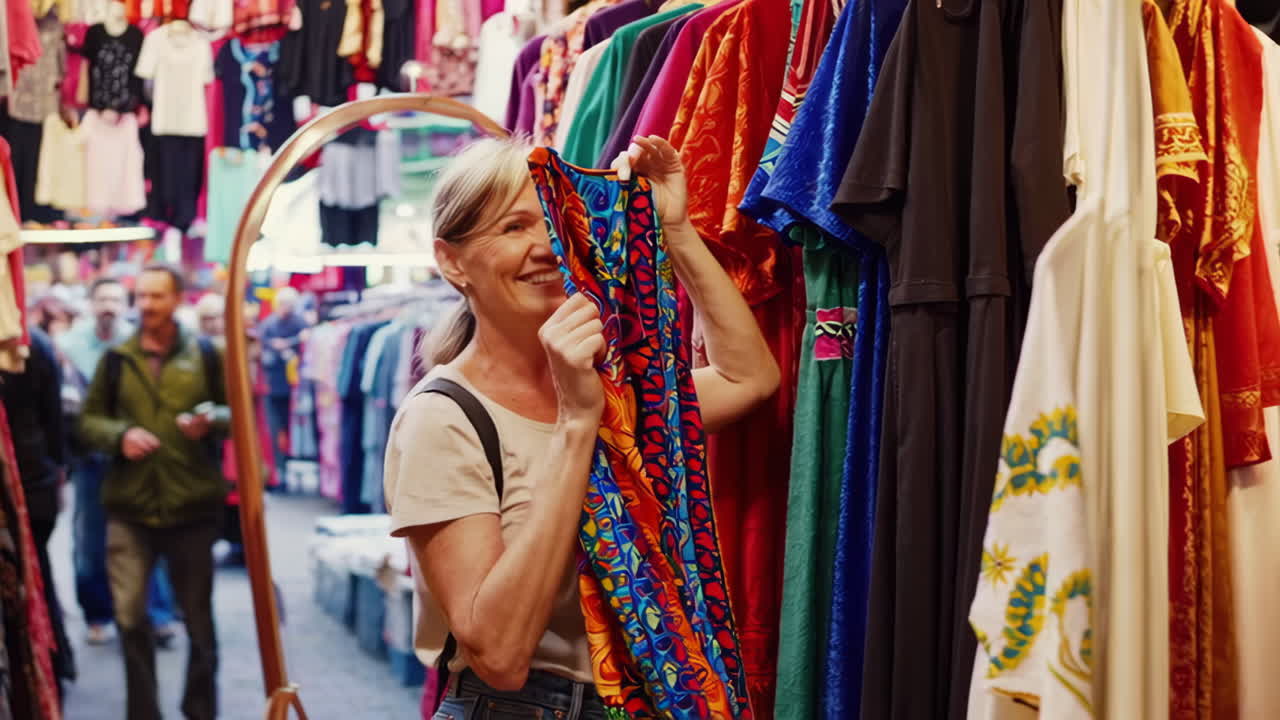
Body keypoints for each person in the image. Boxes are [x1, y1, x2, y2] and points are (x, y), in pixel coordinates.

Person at [383, 136, 780, 718]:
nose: (544, 246)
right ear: (452, 261)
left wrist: (675, 231)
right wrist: (576, 422)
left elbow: (748, 378)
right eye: (514, 228)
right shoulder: (442, 419)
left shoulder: (615, 388)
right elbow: (498, 654)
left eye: (552, 220)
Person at [78, 264, 229, 720]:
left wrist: (211, 420)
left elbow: (234, 412)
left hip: (192, 506)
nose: (146, 305)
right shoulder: (117, 358)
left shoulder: (205, 353)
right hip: (130, 507)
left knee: (199, 623)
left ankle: (200, 709)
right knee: (129, 619)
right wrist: (120, 435)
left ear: (177, 299)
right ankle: (143, 713)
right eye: (140, 296)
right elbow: (87, 423)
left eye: (156, 296)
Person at [59, 276, 179, 647]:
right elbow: (66, 406)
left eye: (115, 299)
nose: (109, 306)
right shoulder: (71, 346)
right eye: (102, 299)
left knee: (150, 534)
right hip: (92, 458)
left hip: (139, 458)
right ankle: (98, 614)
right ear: (91, 304)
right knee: (91, 540)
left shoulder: (142, 343)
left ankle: (157, 614)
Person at [1, 325, 77, 697]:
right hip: (37, 477)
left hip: (29, 480)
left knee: (33, 579)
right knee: (36, 576)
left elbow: (53, 417)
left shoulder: (33, 345)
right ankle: (55, 663)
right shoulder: (37, 343)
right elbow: (54, 418)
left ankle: (50, 666)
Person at [258, 286, 307, 488]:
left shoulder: (300, 323)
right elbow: (263, 346)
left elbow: (305, 344)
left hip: (295, 386)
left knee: (293, 429)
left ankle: (287, 467)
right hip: (273, 385)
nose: (285, 307)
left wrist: (288, 344)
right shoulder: (269, 324)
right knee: (274, 428)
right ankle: (279, 471)